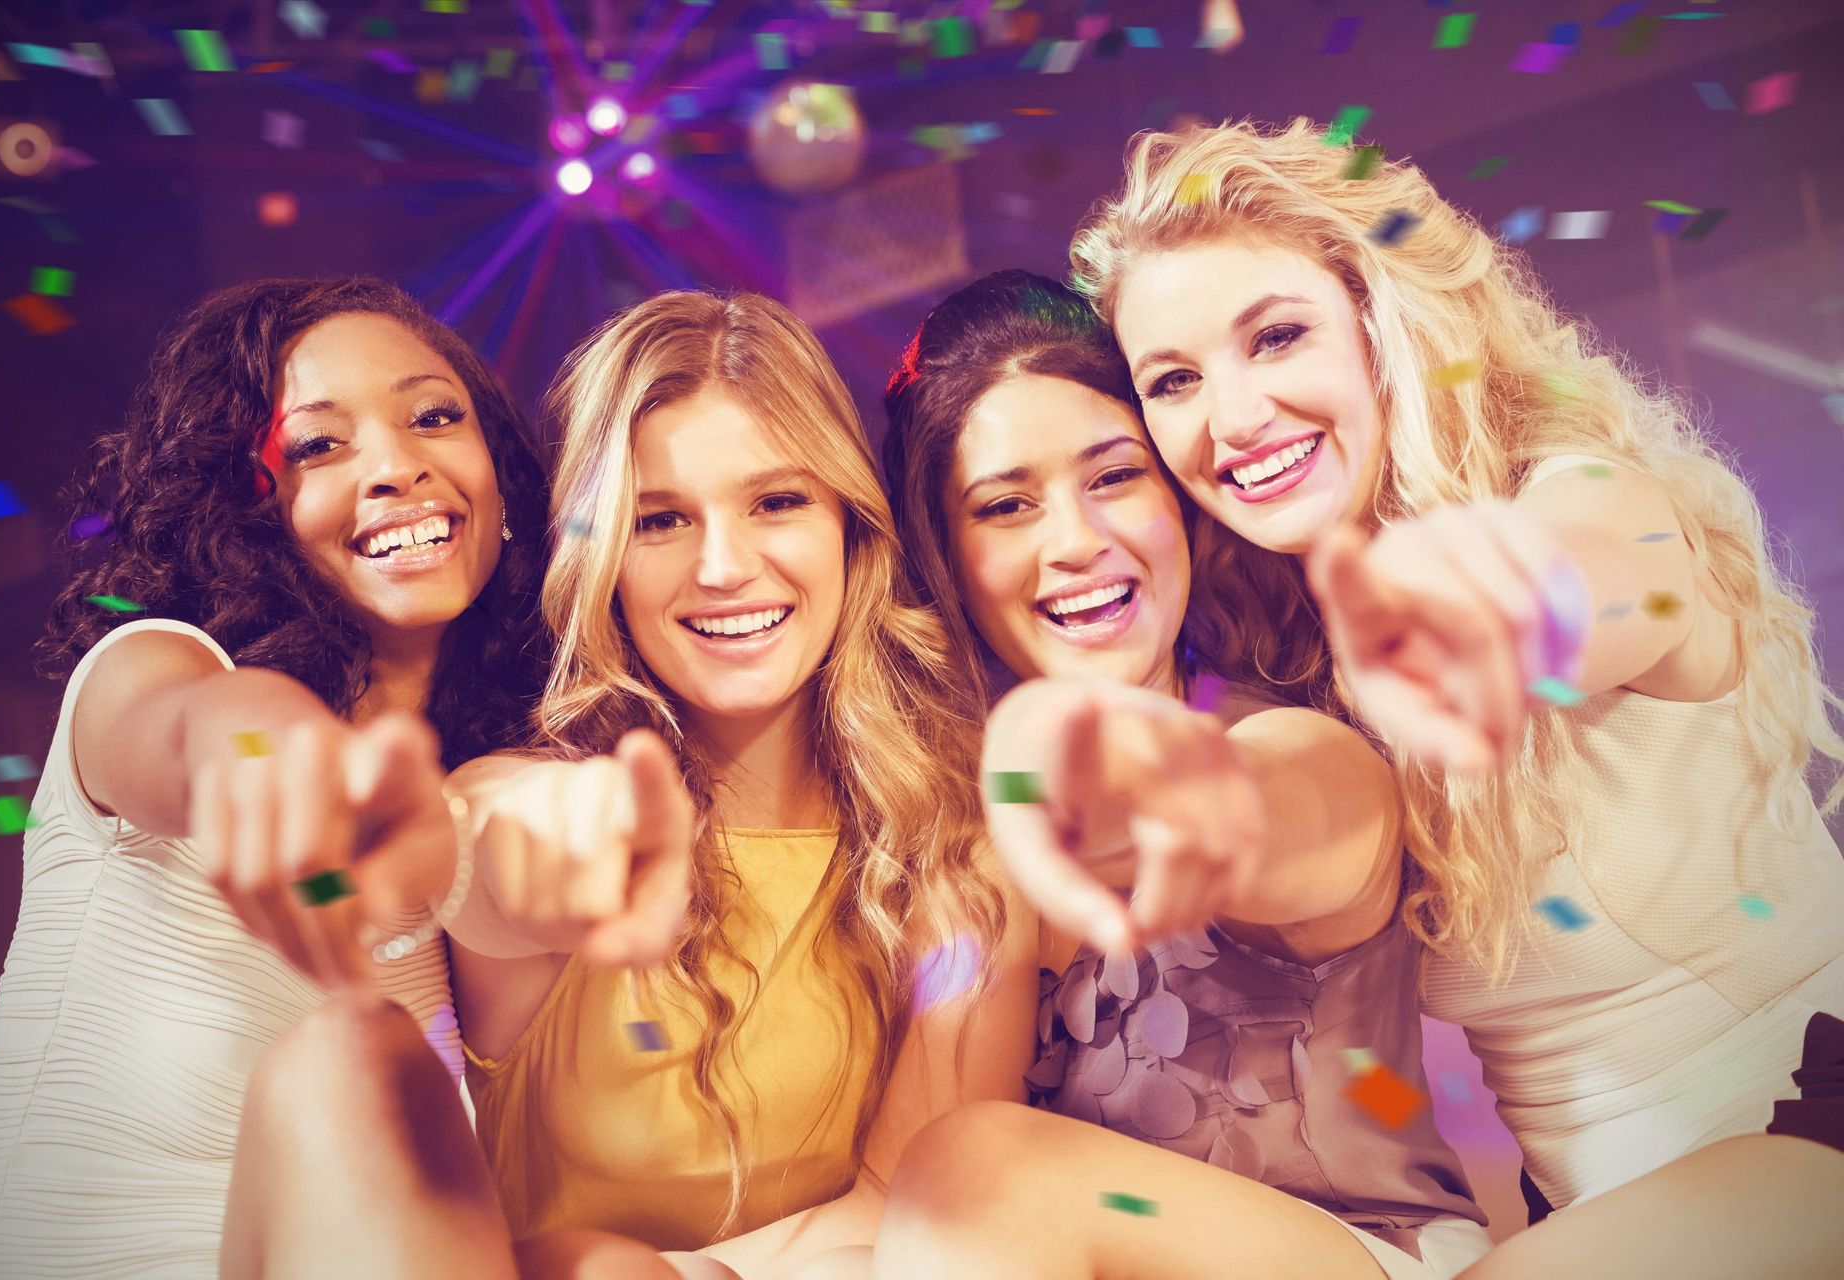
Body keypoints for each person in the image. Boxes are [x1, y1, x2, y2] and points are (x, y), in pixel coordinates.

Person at [1060, 117, 1844, 1276]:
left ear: (1386, 327)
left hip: (1813, 1118)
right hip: (1614, 1208)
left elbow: (1586, 572)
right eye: (1174, 380)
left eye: (1276, 337)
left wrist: (1480, 614)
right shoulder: (1289, 668)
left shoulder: (1589, 490)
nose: (1229, 419)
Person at [219, 290, 1037, 1280]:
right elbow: (498, 850)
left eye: (778, 500)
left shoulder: (954, 850)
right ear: (602, 561)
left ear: (850, 527)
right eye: (659, 520)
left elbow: (920, 1209)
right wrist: (541, 840)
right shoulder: (546, 795)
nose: (725, 566)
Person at [862, 269, 1488, 1280]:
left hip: (1374, 1261)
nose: (1075, 541)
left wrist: (1133, 784)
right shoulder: (955, 846)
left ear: (1179, 500)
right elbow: (894, 1190)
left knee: (985, 1165)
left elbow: (1253, 805)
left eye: (1113, 476)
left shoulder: (1302, 751)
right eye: (1006, 504)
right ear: (947, 557)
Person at [0, 276, 553, 1279]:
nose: (399, 465)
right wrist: (267, 739)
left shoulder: (466, 796)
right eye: (319, 444)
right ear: (242, 504)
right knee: (358, 1060)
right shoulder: (151, 668)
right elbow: (202, 729)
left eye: (435, 417)